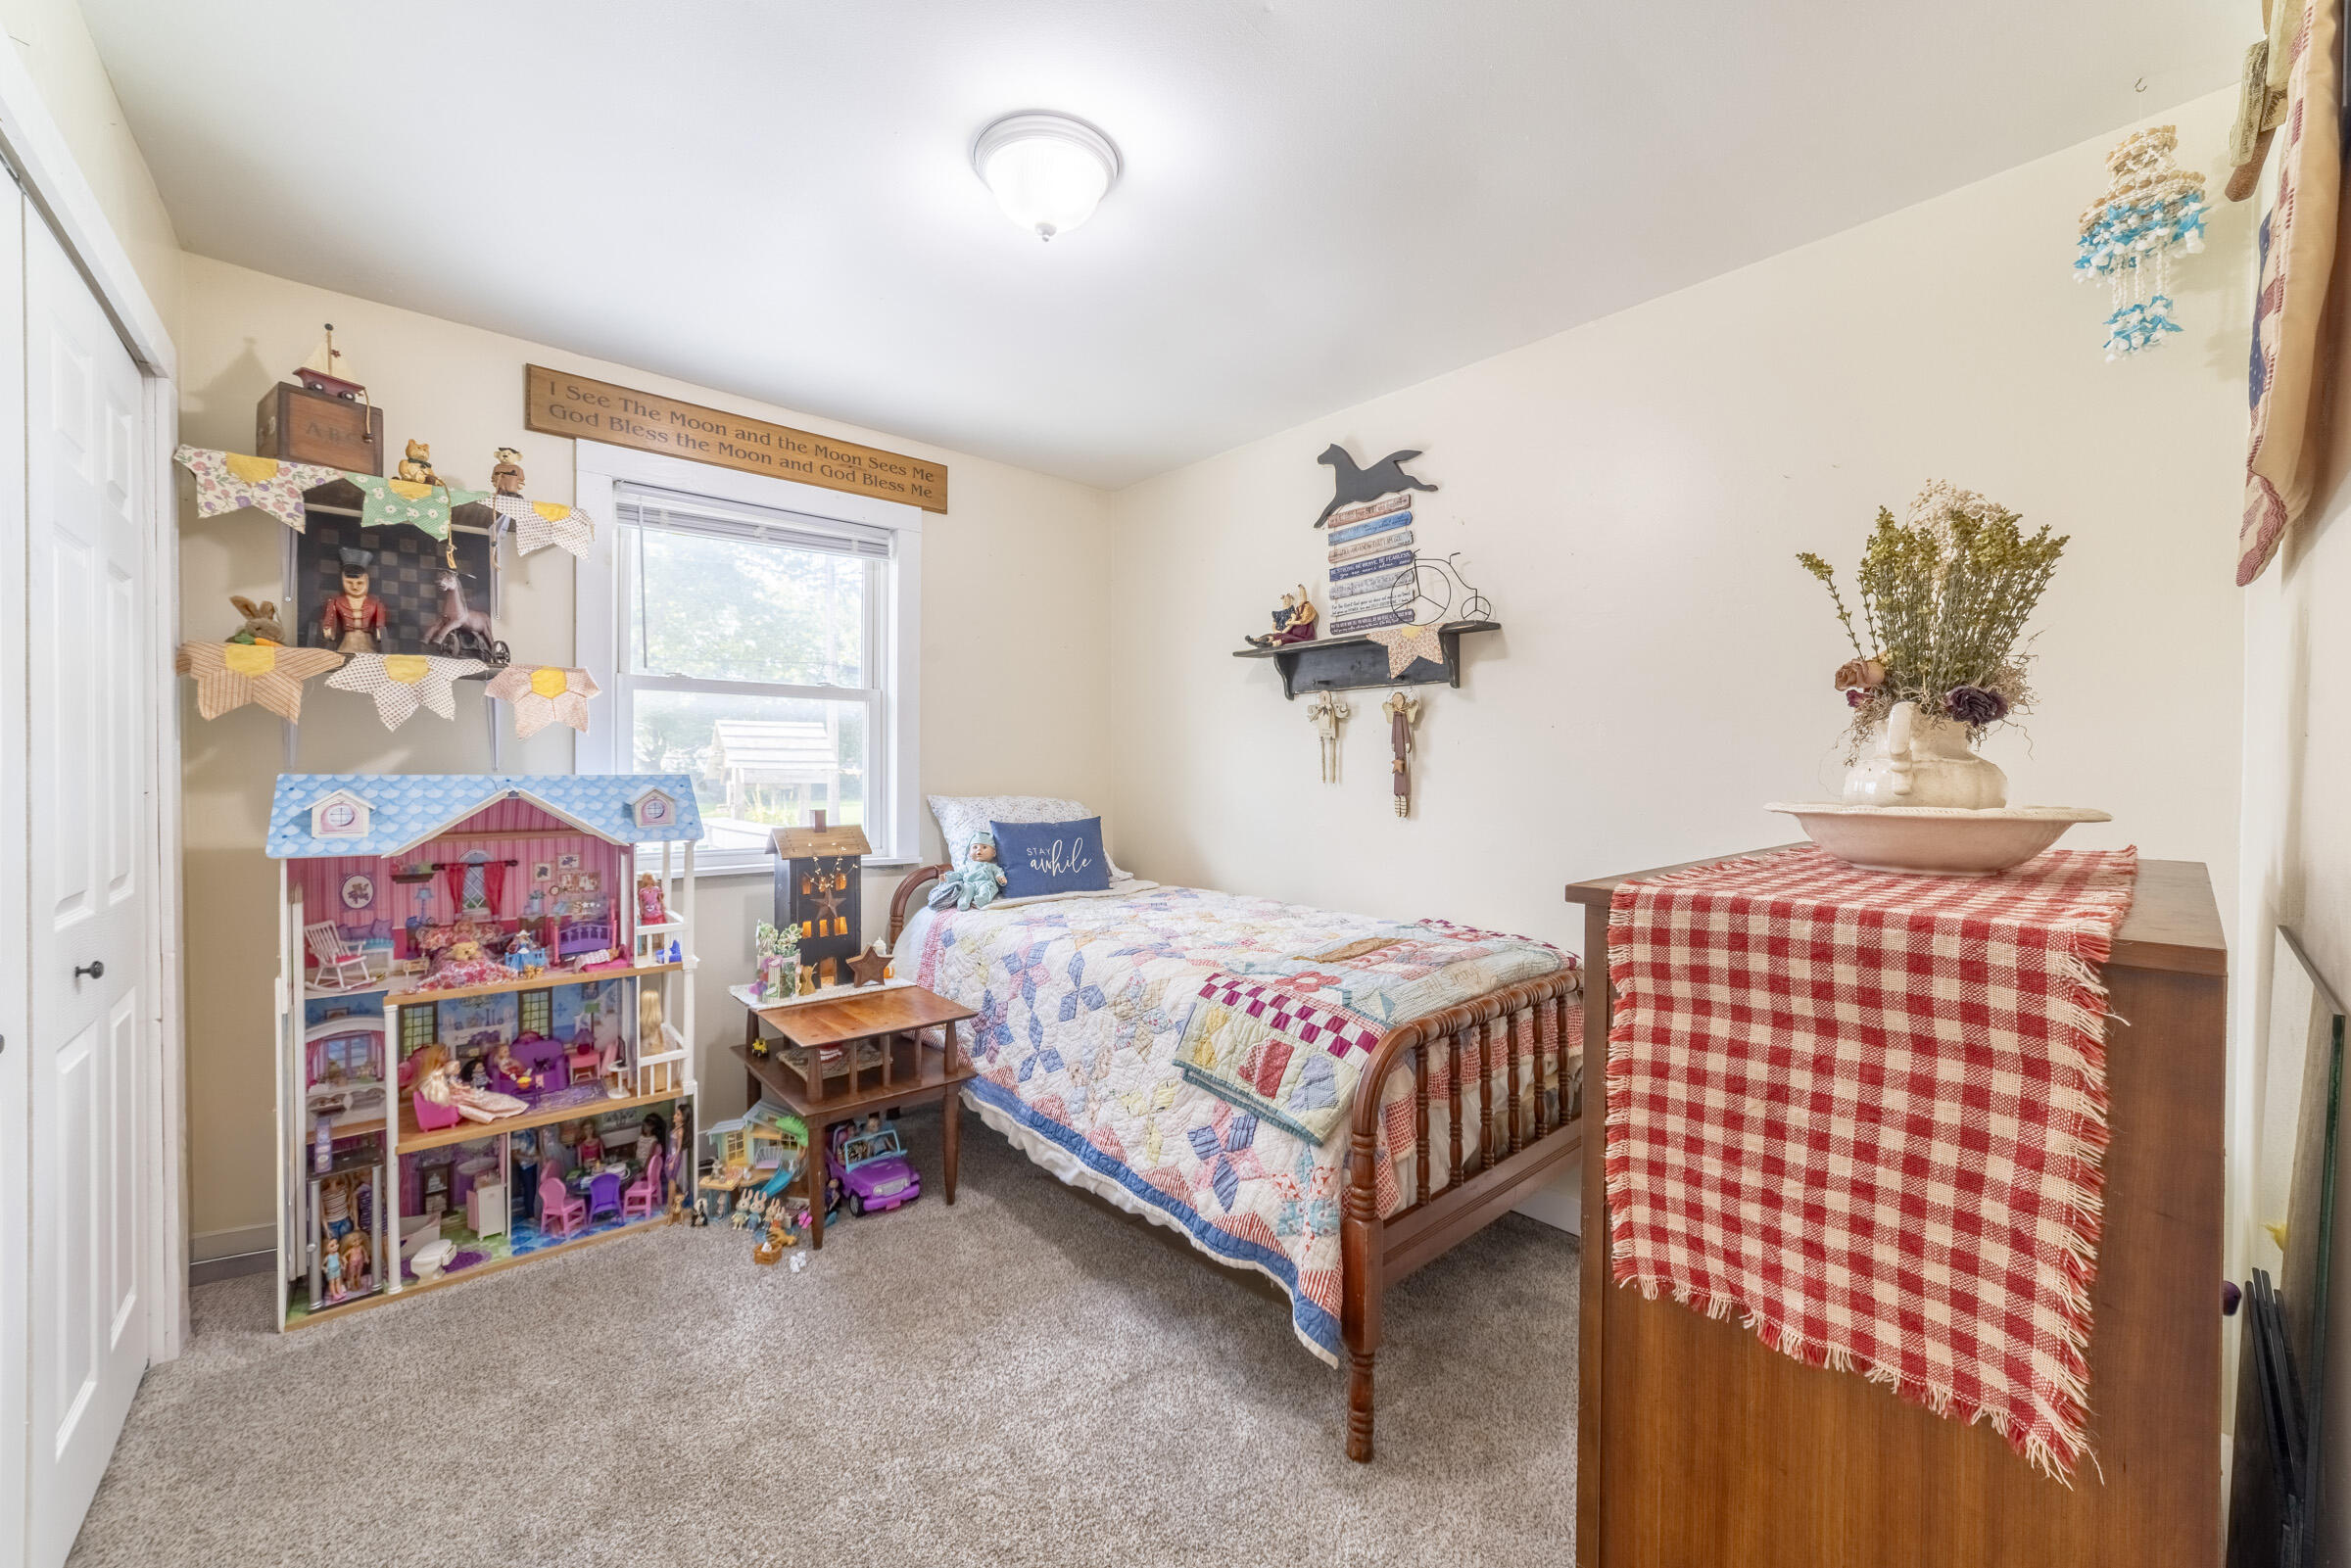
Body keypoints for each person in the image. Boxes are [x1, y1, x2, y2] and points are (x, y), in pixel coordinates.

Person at [318, 546, 389, 653]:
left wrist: (380, 633)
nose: (355, 587)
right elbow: (329, 623)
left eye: (359, 583)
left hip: (368, 646)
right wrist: (327, 629)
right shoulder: (336, 602)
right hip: (347, 644)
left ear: (366, 580)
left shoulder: (375, 604)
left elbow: (381, 628)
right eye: (349, 583)